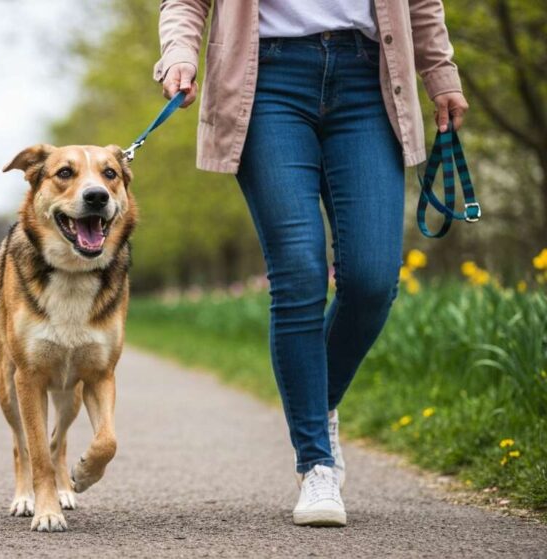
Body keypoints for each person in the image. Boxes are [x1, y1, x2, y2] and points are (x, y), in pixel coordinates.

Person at [154, 0, 468, 527]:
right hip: (265, 79)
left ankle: (314, 408)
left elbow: (420, 4)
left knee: (372, 279)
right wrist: (180, 53)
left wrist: (440, 72)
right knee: (298, 272)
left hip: (371, 77)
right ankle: (317, 464)